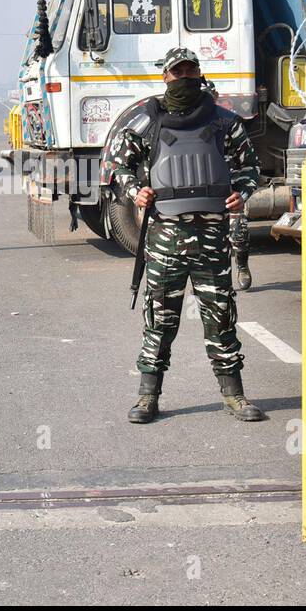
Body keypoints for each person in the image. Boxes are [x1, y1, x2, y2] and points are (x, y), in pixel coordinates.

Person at [109, 47, 265, 424]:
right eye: (177, 73)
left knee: (221, 318)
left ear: (199, 73)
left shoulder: (225, 121)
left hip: (212, 237)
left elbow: (251, 168)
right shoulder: (147, 121)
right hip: (164, 238)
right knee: (159, 321)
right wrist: (136, 192)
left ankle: (235, 396)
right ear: (165, 77)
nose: (184, 78)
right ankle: (148, 398)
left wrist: (240, 193)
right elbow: (118, 166)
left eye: (190, 71)